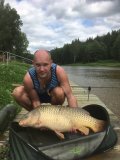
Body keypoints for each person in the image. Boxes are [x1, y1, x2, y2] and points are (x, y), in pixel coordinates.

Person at [12, 49, 78, 111]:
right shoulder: (28, 78)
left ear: (51, 63)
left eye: (45, 64)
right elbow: (35, 101)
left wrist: (76, 116)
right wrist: (39, 116)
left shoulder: (59, 71)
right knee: (17, 92)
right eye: (38, 65)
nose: (42, 69)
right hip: (37, 97)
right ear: (33, 63)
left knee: (59, 92)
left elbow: (70, 96)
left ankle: (54, 114)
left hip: (53, 96)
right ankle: (36, 116)